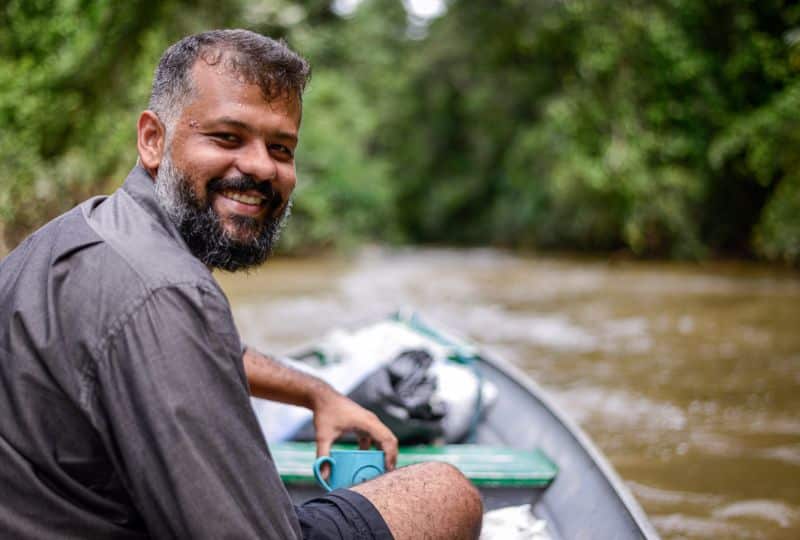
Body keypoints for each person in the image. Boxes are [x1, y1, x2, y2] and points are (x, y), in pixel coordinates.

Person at [0, 30, 483, 539]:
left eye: (281, 148)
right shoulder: (169, 292)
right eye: (227, 137)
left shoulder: (74, 238)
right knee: (444, 492)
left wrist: (317, 393)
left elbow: (190, 345)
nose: (259, 167)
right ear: (152, 139)